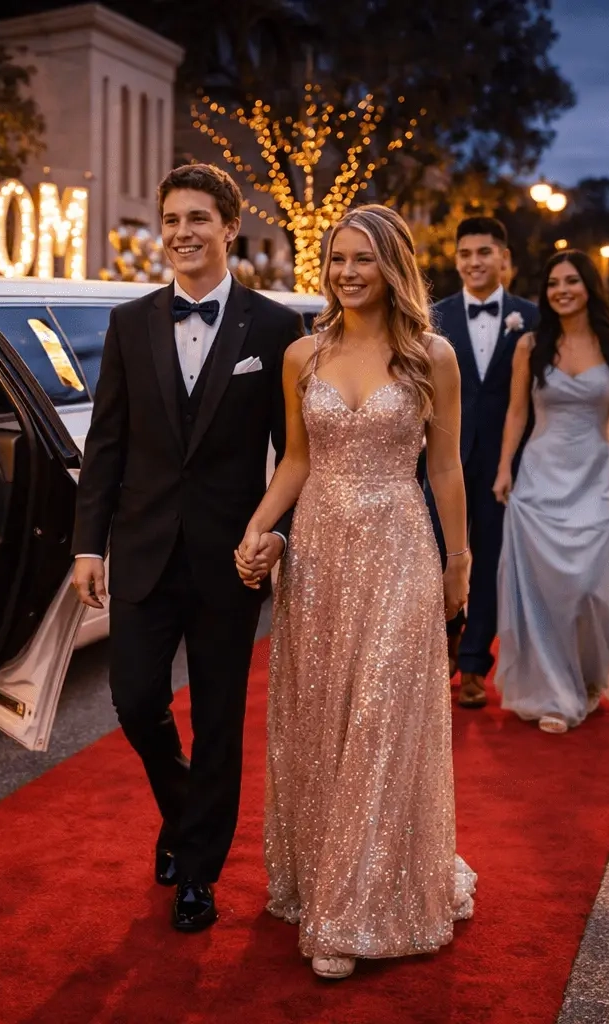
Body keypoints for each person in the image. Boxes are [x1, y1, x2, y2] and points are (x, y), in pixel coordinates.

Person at [237, 206, 476, 980]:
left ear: (393, 266)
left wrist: (459, 561)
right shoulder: (302, 353)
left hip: (401, 548)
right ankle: (329, 878)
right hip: (321, 557)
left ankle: (354, 911)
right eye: (337, 258)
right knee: (325, 721)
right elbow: (297, 459)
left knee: (380, 719)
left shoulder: (430, 355)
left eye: (363, 259)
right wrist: (258, 527)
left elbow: (445, 467)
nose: (347, 272)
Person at [72, 163, 304, 932]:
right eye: (170, 219)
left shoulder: (274, 329)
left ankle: (198, 872)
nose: (180, 233)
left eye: (197, 218)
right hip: (140, 550)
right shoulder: (130, 322)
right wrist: (87, 546)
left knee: (218, 719)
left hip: (226, 561)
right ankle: (184, 812)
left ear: (230, 227)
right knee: (135, 701)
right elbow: (105, 446)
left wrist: (276, 536)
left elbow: (295, 451)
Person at [492, 251, 609, 733]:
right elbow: (517, 412)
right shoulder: (530, 346)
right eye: (554, 282)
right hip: (540, 476)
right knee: (547, 593)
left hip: (594, 475)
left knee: (590, 592)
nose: (562, 290)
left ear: (589, 286)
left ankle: (591, 676)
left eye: (572, 281)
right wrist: (503, 469)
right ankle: (555, 694)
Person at [430, 217, 540, 708]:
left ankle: (475, 664)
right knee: (439, 558)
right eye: (466, 254)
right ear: (456, 261)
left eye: (484, 253)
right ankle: (445, 646)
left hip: (502, 463)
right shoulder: (432, 316)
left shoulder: (531, 318)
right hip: (441, 458)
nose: (474, 262)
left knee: (491, 561)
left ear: (504, 259)